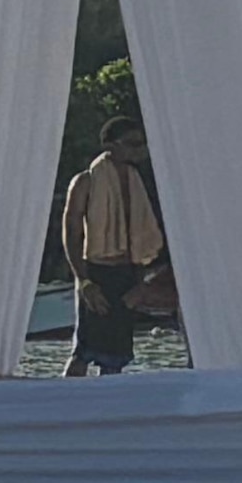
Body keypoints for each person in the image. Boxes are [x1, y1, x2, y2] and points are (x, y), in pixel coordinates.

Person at [60, 115, 164, 375]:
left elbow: (142, 239)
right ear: (111, 146)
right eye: (132, 143)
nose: (140, 149)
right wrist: (84, 282)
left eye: (142, 143)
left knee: (116, 356)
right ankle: (64, 403)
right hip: (96, 270)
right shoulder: (86, 181)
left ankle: (108, 409)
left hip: (127, 273)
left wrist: (141, 284)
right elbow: (72, 233)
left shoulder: (139, 182)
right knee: (84, 350)